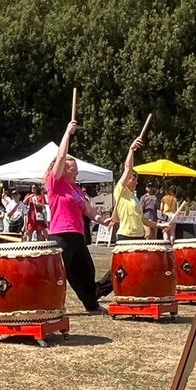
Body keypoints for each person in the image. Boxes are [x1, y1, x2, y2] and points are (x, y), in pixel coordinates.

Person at [46, 119, 107, 312]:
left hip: (77, 235)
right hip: (60, 235)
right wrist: (67, 133)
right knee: (60, 273)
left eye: (76, 170)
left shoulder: (77, 190)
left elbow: (88, 210)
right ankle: (50, 304)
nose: (76, 172)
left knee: (87, 270)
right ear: (63, 170)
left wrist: (102, 220)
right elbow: (61, 156)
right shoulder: (55, 185)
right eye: (72, 169)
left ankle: (91, 303)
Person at [95, 136, 145, 299]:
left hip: (139, 236)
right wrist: (131, 150)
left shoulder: (134, 198)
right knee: (120, 268)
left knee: (136, 268)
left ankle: (133, 291)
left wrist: (159, 224)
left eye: (136, 178)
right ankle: (98, 290)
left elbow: (142, 219)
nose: (136, 181)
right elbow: (127, 167)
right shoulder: (120, 191)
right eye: (134, 178)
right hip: (126, 236)